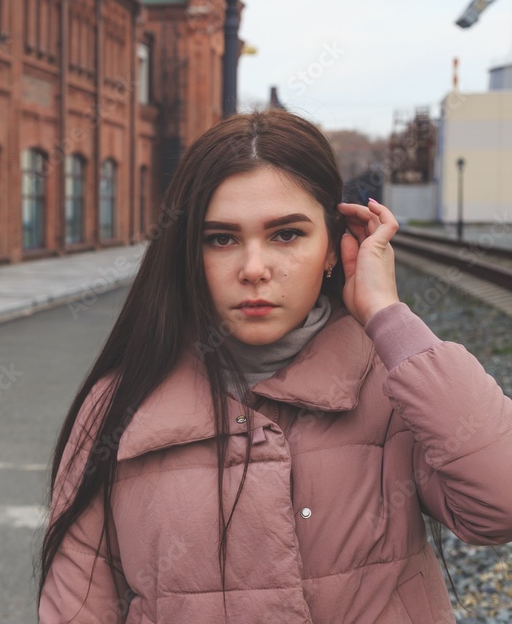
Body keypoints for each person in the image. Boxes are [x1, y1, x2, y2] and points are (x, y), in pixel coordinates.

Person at [36, 109, 512, 623]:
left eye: (286, 234)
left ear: (333, 248)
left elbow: (500, 504)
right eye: (221, 238)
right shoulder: (119, 406)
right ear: (187, 253)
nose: (254, 269)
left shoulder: (395, 390)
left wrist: (389, 317)